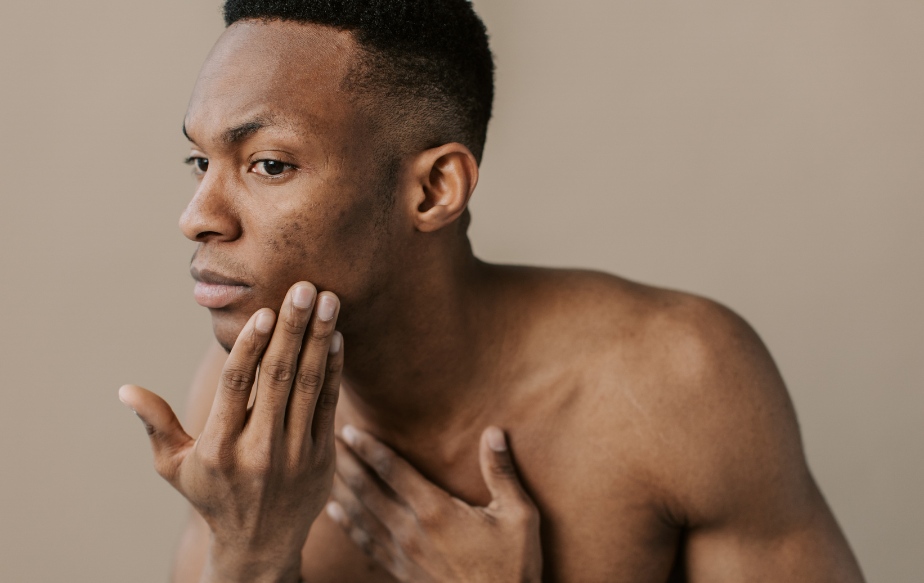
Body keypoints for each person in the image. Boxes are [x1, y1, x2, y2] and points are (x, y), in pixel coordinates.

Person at [118, 1, 866, 581]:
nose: (196, 217)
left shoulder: (676, 382)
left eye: (269, 165)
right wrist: (251, 556)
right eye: (198, 162)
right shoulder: (243, 415)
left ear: (435, 188)